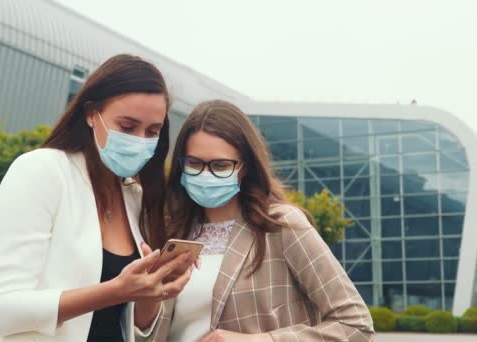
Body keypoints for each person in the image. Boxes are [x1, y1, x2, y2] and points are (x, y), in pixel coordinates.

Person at [0, 54, 193, 342]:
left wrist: (155, 288)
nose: (140, 140)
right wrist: (115, 290)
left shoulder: (134, 196)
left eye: (152, 131)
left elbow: (132, 324)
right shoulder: (41, 171)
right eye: (128, 127)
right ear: (92, 113)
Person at [156, 100, 375, 341]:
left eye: (220, 165)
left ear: (245, 167)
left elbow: (356, 325)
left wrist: (260, 340)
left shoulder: (281, 225)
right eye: (194, 163)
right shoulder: (170, 230)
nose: (205, 174)